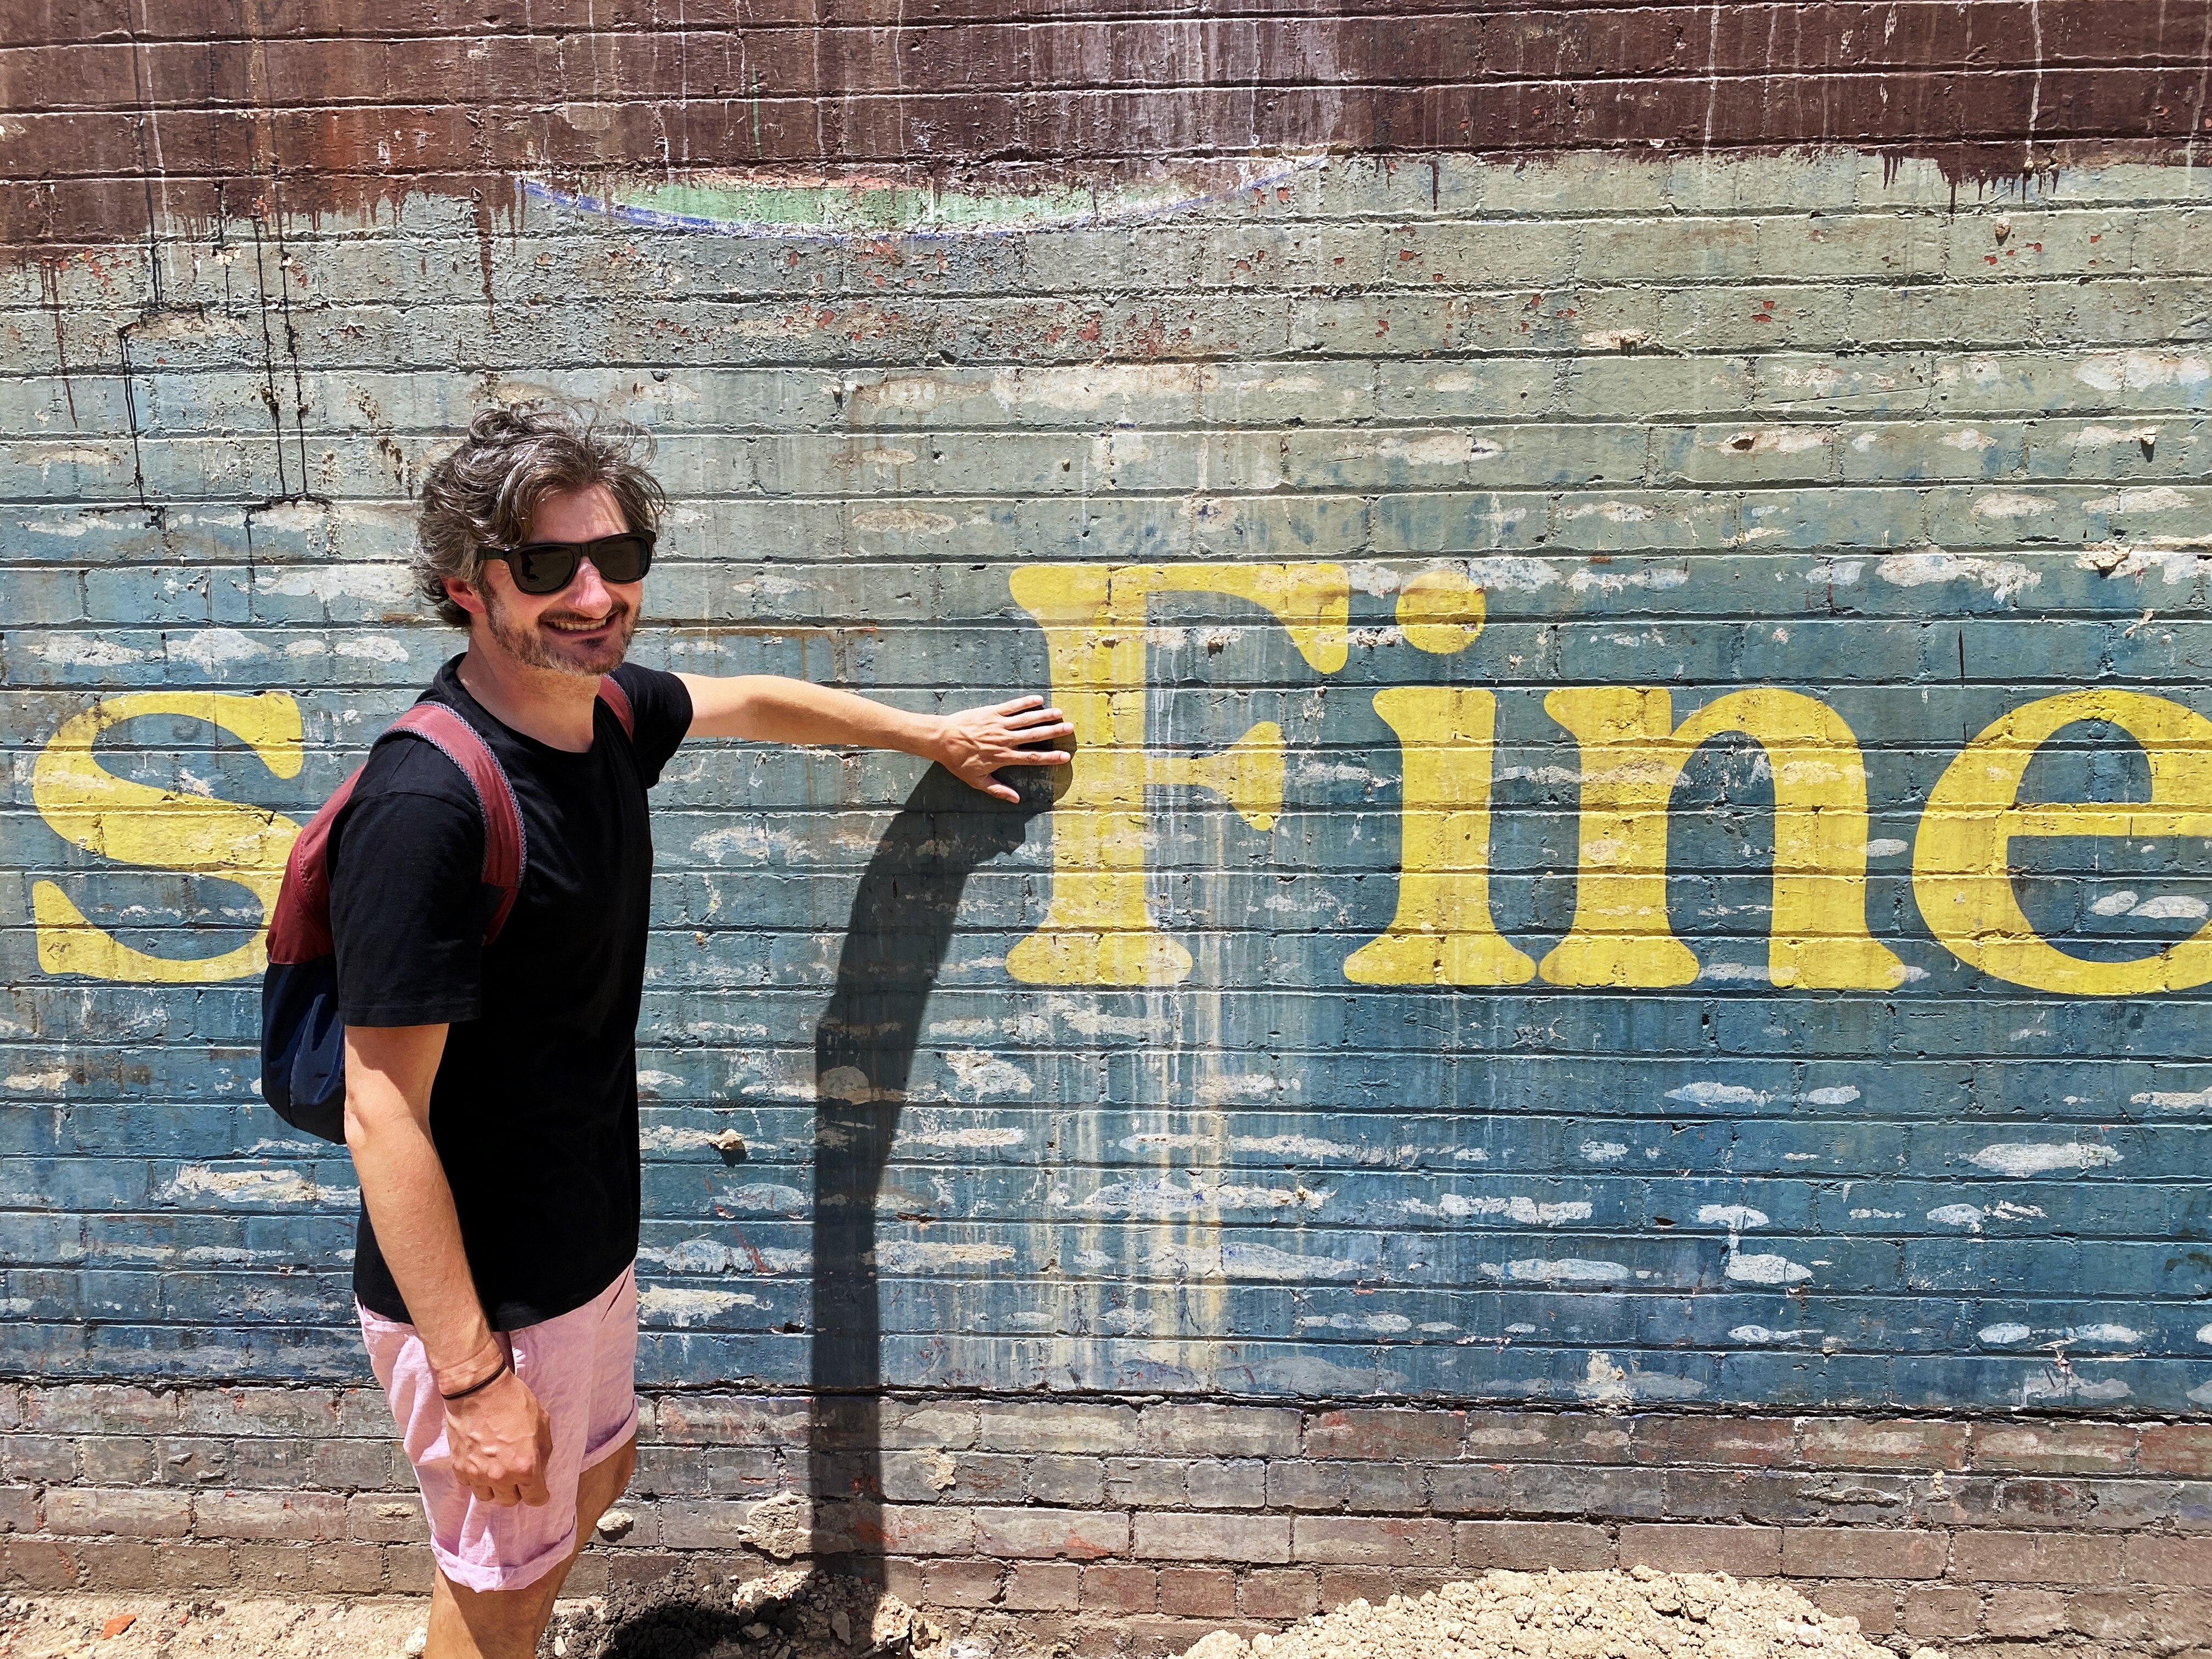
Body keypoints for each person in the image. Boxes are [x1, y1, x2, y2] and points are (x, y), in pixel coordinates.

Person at [332, 405, 1071, 1659]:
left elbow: (756, 701)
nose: (594, 594)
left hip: (582, 1240)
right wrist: (472, 1376)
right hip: (490, 1290)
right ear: (465, 586)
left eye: (618, 558)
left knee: (584, 1493)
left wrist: (928, 736)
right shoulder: (429, 804)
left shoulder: (605, 714)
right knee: (504, 1585)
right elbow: (379, 1108)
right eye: (547, 565)